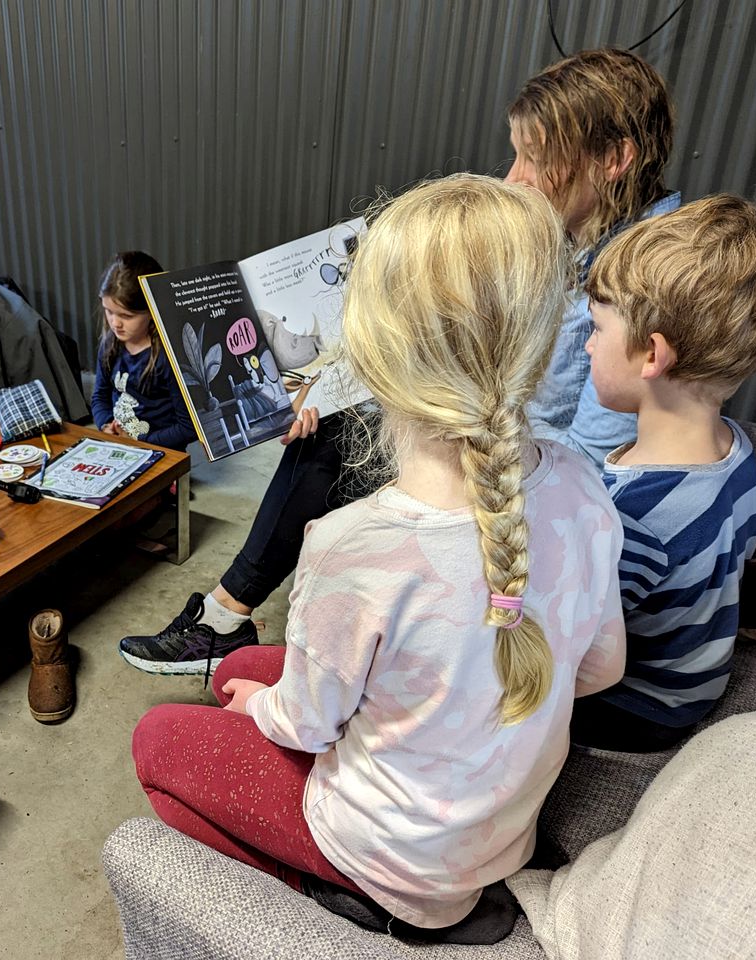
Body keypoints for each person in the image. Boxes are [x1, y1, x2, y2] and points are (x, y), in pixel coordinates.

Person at [132, 175, 626, 940]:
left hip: (393, 856)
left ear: (368, 351)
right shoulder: (582, 484)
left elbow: (302, 726)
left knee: (159, 740)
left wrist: (267, 709)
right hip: (500, 836)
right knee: (235, 669)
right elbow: (598, 671)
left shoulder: (352, 547)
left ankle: (360, 902)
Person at [119, 46, 677, 677]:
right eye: (516, 153)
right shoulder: (574, 232)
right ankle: (229, 612)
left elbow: (581, 467)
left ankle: (229, 617)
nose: (514, 178)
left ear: (614, 159)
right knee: (331, 420)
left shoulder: (637, 282)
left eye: (537, 160)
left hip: (518, 471)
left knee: (337, 447)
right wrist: (331, 383)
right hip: (496, 427)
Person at [569, 195, 756, 752]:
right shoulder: (735, 449)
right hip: (699, 681)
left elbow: (580, 647)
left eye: (597, 327)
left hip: (636, 705)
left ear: (652, 356)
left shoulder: (629, 516)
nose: (587, 343)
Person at [90, 251, 196, 451]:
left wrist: (138, 442)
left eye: (126, 315)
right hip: (118, 444)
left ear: (152, 310)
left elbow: (189, 428)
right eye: (109, 311)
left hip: (160, 452)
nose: (115, 323)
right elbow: (99, 396)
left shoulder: (169, 357)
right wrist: (106, 426)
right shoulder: (110, 344)